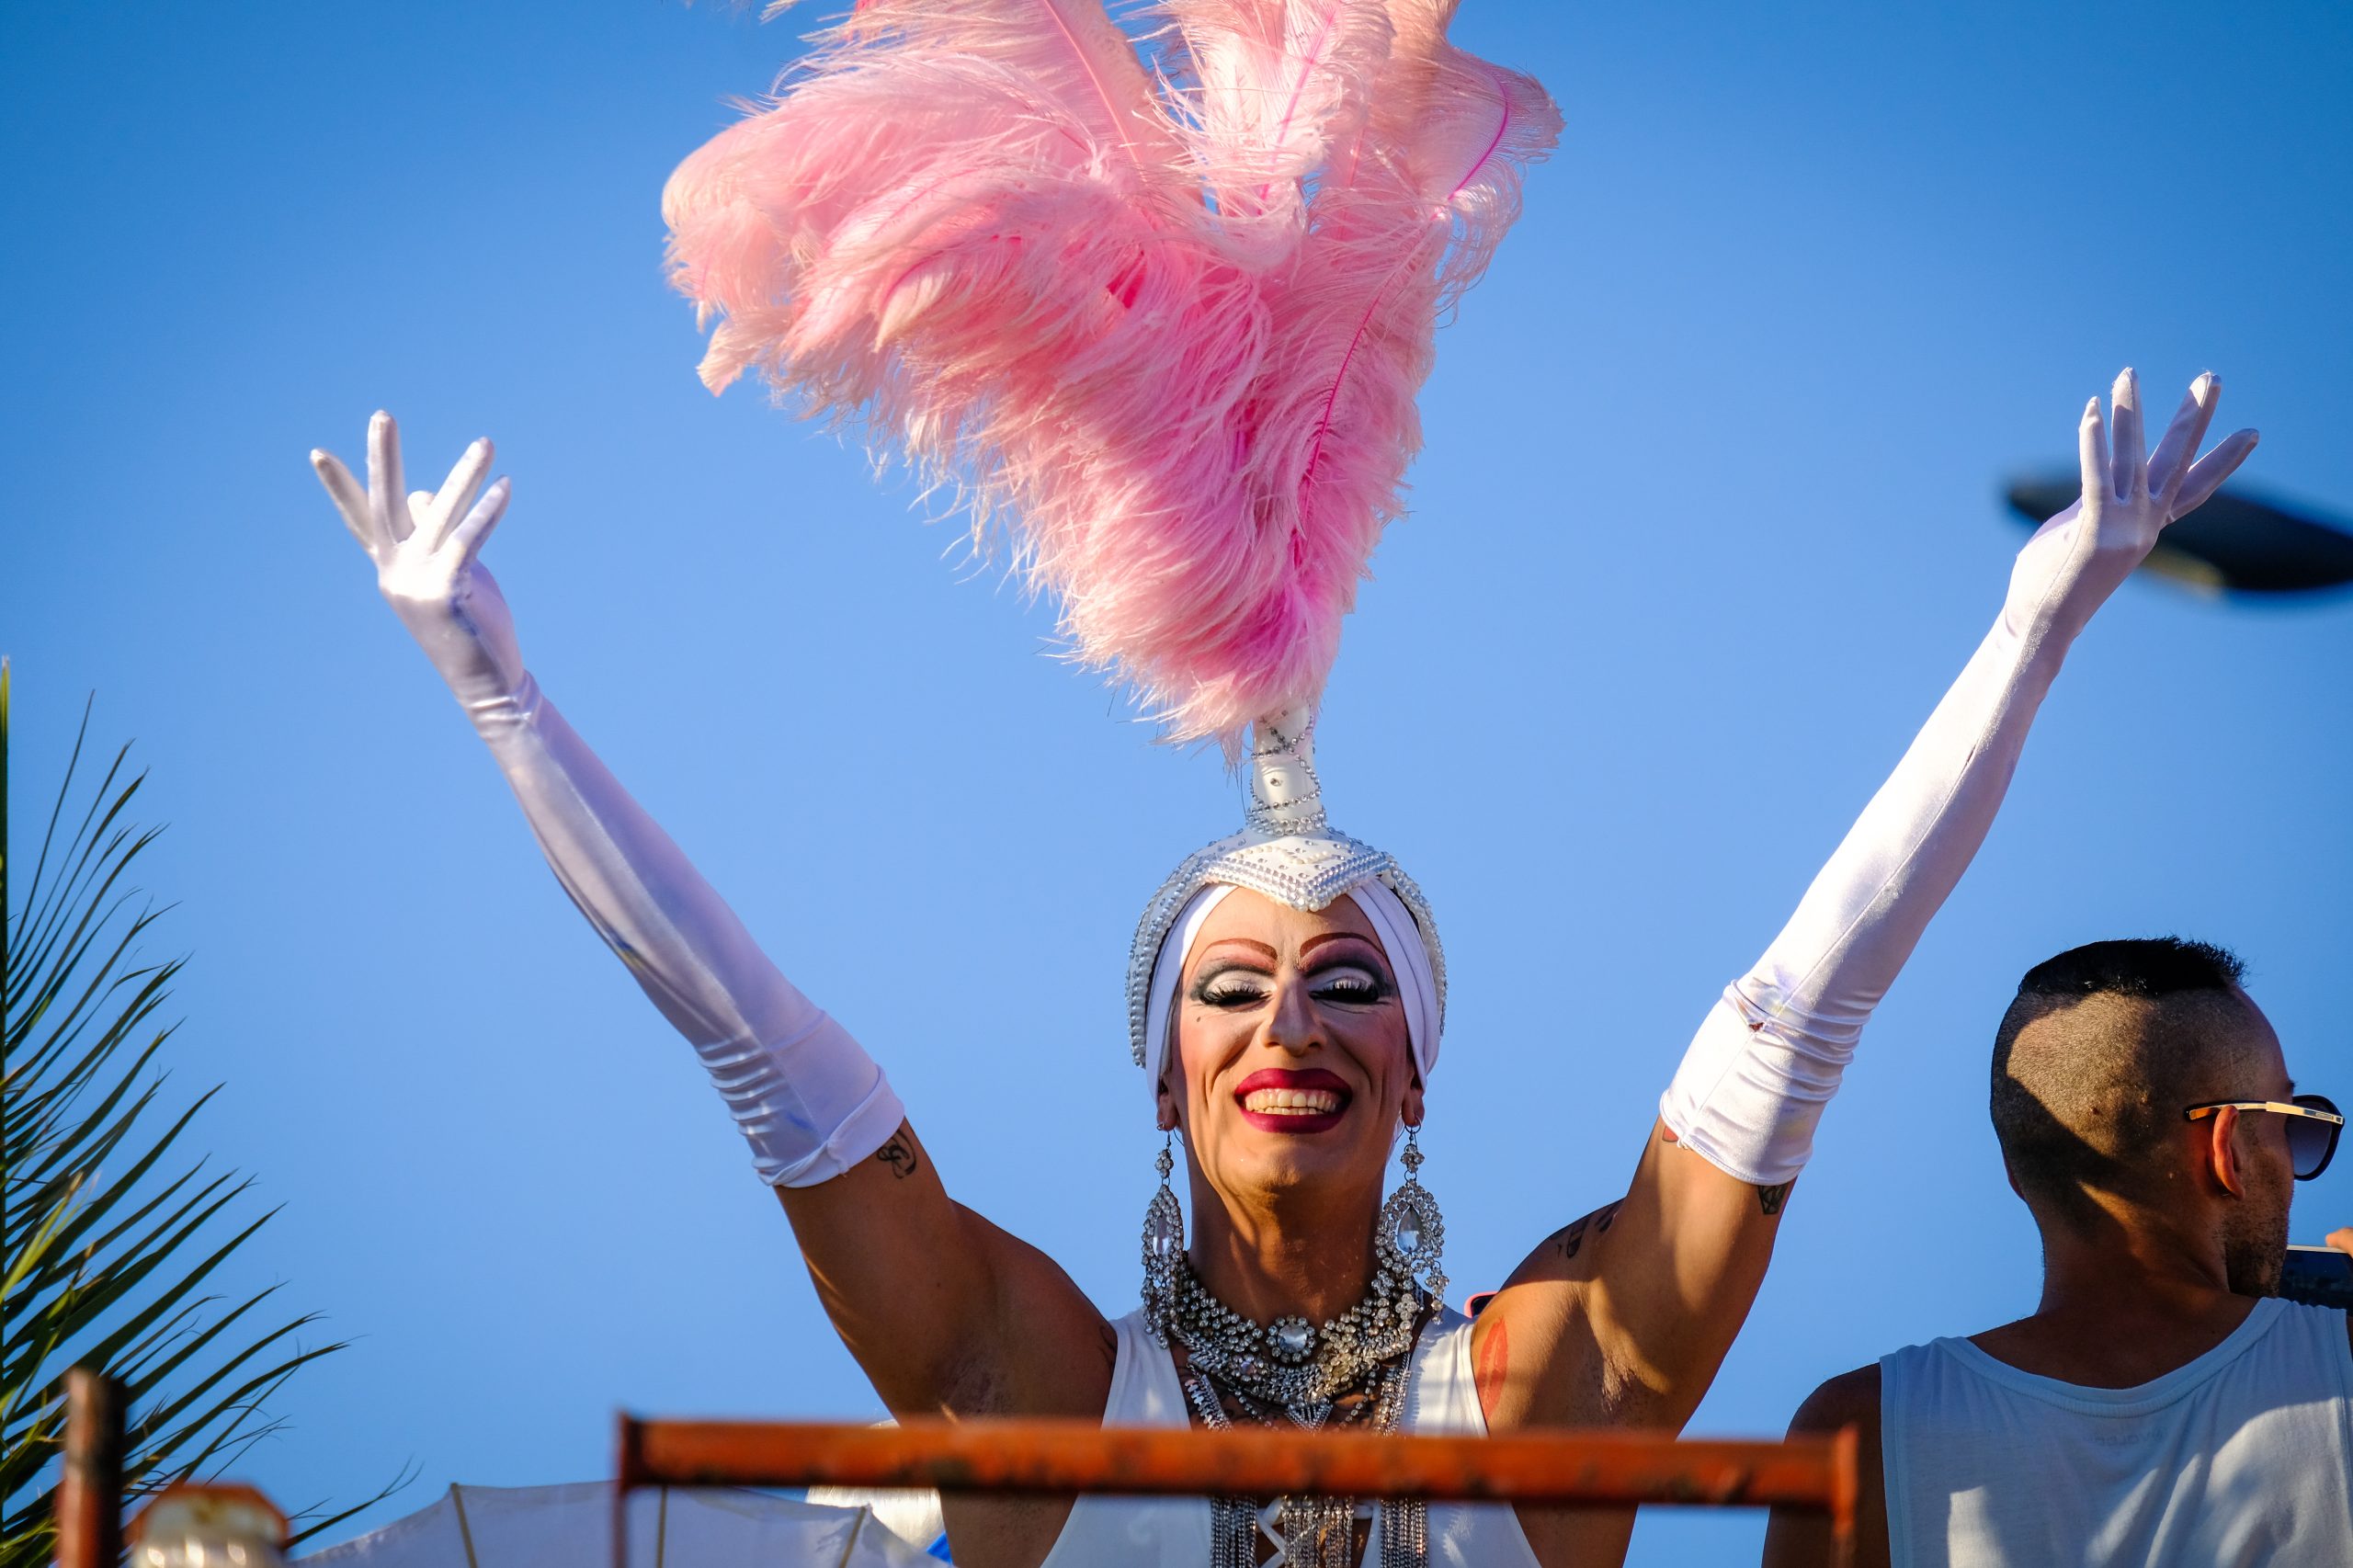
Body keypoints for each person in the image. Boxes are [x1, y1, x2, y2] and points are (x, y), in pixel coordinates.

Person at [309, 7, 2257, 1566]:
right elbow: (764, 1056)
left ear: (1417, 1069)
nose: (1288, 1025)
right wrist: (503, 702)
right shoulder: (1032, 1387)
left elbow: (1797, 1013)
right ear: (1161, 1076)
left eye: (1345, 984)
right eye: (1229, 990)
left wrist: (2025, 634)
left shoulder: (1548, 1389)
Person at [1762, 938, 2353, 1568]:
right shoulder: (2341, 1363)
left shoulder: (1860, 1433)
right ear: (2226, 1149)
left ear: (2018, 1174)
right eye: (2291, 1127)